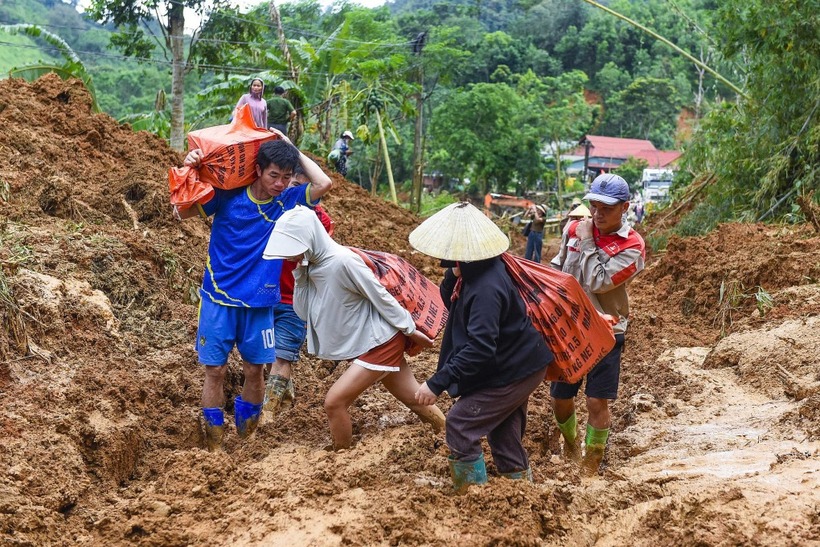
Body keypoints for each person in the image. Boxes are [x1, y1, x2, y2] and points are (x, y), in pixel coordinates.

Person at [175, 134, 332, 451]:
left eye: (286, 178)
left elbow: (324, 184)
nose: (279, 183)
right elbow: (182, 210)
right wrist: (188, 167)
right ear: (258, 170)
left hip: (261, 302)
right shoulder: (227, 195)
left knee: (254, 370)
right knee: (215, 371)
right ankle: (214, 445)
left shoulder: (287, 200)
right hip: (218, 297)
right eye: (274, 175)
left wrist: (293, 151)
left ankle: (247, 440)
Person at [262, 207, 446, 450]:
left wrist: (411, 330)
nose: (289, 257)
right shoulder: (311, 266)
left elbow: (381, 296)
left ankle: (341, 455)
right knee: (414, 398)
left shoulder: (343, 261)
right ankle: (450, 434)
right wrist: (300, 275)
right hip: (370, 342)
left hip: (380, 342)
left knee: (334, 402)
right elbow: (303, 312)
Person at [410, 202, 554, 491]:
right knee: (504, 435)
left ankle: (472, 498)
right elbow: (450, 296)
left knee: (460, 424)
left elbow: (479, 348)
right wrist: (454, 272)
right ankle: (522, 495)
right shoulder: (476, 271)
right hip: (515, 362)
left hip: (513, 369)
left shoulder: (486, 288)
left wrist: (437, 383)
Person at [549, 174, 645, 475]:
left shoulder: (633, 246)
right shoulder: (574, 230)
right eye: (594, 205)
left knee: (595, 401)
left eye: (606, 207)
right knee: (560, 399)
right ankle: (570, 440)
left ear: (625, 207)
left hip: (608, 331)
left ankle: (591, 461)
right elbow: (559, 264)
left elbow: (597, 281)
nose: (597, 213)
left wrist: (588, 239)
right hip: (569, 328)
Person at [264, 166, 334, 417]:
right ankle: (284, 400)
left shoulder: (320, 222)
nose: (293, 191)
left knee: (281, 357)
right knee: (267, 356)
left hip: (294, 300)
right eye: (292, 186)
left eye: (302, 187)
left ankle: (267, 417)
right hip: (263, 295)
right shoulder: (272, 210)